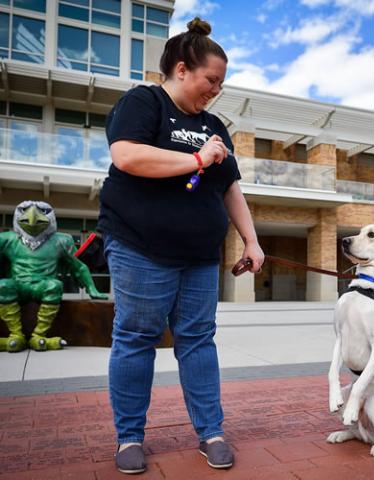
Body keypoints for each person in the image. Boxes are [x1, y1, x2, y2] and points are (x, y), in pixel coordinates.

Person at [98, 17, 264, 475]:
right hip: (140, 248)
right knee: (135, 339)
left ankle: (211, 432)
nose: (215, 90)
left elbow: (230, 188)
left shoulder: (214, 125)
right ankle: (129, 437)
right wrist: (195, 158)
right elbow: (126, 156)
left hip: (197, 257)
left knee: (198, 342)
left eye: (221, 84)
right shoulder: (143, 101)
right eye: (211, 80)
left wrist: (251, 240)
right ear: (181, 68)